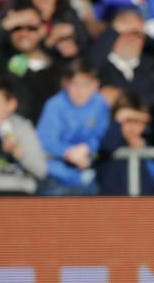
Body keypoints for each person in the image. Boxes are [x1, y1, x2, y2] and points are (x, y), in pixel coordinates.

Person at [36, 59, 110, 196]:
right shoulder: (54, 105)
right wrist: (68, 152)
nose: (80, 90)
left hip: (88, 176)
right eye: (75, 84)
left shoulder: (100, 103)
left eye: (85, 84)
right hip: (54, 177)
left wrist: (87, 148)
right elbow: (45, 140)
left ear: (95, 85)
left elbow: (102, 135)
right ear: (65, 84)